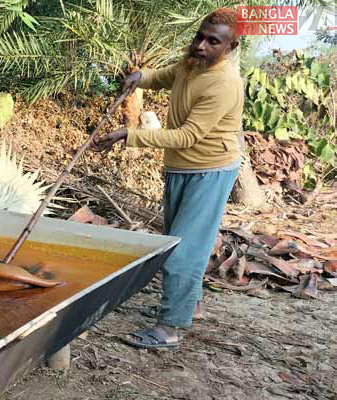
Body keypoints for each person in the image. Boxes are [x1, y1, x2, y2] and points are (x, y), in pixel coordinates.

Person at [92, 8, 244, 349]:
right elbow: (165, 76)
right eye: (199, 37)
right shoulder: (192, 64)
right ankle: (192, 306)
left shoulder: (223, 84)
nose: (201, 46)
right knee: (180, 240)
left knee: (182, 252)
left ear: (230, 47)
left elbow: (187, 136)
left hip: (210, 170)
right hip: (180, 167)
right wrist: (140, 77)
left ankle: (169, 329)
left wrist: (128, 135)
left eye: (212, 41)